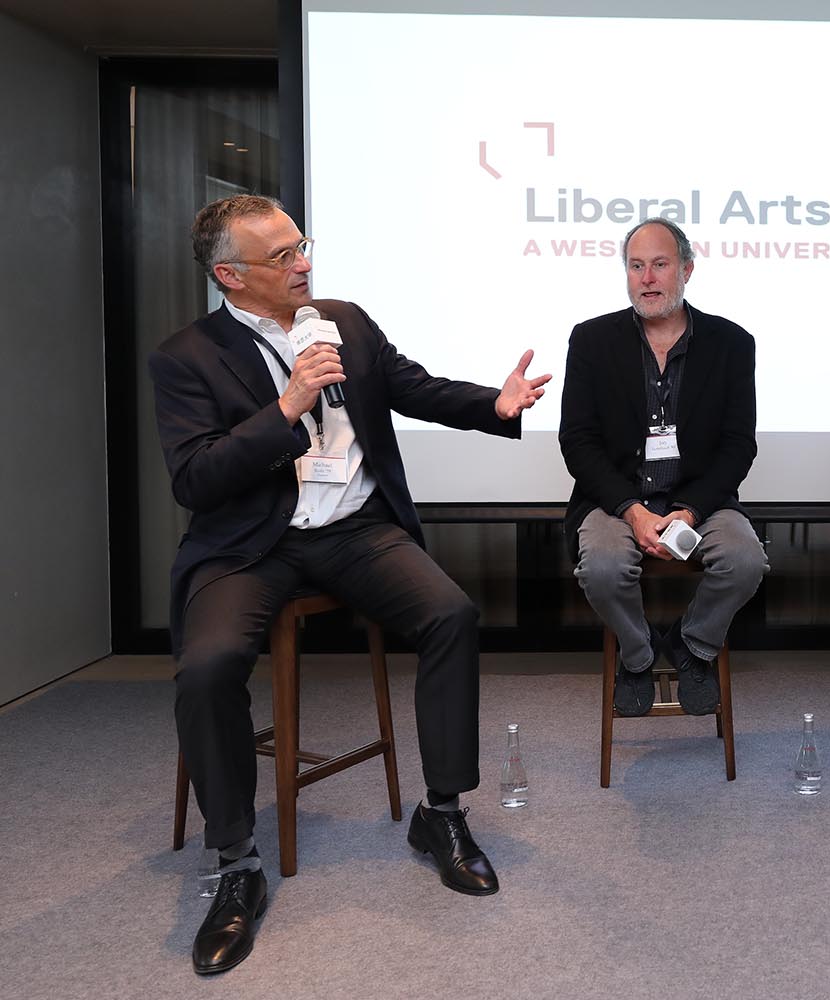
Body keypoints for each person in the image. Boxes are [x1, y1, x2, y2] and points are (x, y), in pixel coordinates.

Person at [150, 195, 551, 975]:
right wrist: (288, 405)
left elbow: (413, 386)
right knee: (207, 668)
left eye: (303, 246)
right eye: (283, 257)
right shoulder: (185, 357)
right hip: (248, 545)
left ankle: (441, 816)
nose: (304, 264)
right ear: (230, 276)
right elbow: (195, 479)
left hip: (355, 529)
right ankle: (237, 865)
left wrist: (494, 406)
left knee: (450, 615)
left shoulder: (345, 321)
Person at [558, 218, 768, 717]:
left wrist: (691, 512)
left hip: (699, 500)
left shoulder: (732, 343)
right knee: (605, 568)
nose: (646, 278)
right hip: (616, 501)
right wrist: (633, 512)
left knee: (746, 560)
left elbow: (739, 446)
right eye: (636, 266)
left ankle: (693, 646)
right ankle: (639, 656)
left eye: (659, 264)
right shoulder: (590, 341)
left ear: (687, 270)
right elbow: (578, 442)